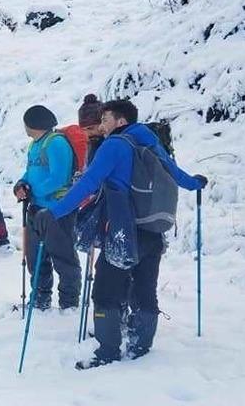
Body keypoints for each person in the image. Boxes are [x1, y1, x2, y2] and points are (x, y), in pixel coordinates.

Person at [38, 99, 207, 369]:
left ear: (120, 121)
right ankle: (141, 345)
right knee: (144, 289)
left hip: (122, 230)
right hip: (152, 230)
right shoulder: (149, 141)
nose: (102, 126)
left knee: (106, 290)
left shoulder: (115, 145)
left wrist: (56, 211)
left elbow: (90, 183)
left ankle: (108, 352)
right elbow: (176, 175)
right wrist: (195, 183)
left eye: (105, 120)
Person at [13, 105, 81, 311]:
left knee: (63, 256)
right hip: (36, 208)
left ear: (33, 123)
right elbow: (30, 172)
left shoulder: (56, 143)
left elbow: (59, 178)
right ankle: (40, 298)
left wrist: (34, 191)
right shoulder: (35, 145)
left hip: (57, 210)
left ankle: (69, 303)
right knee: (35, 258)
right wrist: (21, 185)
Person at [79, 94, 105, 164]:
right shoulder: (89, 146)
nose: (87, 133)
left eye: (90, 128)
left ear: (102, 123)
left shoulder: (115, 144)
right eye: (83, 130)